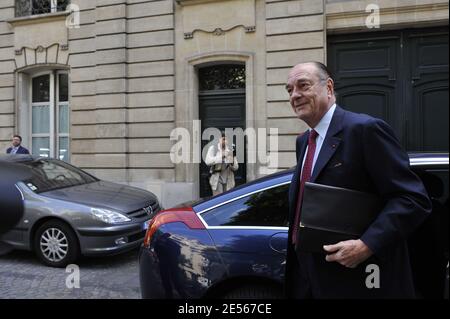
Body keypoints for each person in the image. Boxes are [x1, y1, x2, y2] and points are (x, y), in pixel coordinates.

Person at [285, 61, 431, 298]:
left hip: (359, 278)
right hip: (308, 275)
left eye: (303, 86)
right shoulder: (304, 142)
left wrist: (365, 245)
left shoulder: (364, 130)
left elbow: (412, 199)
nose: (295, 95)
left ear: (329, 88)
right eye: (289, 90)